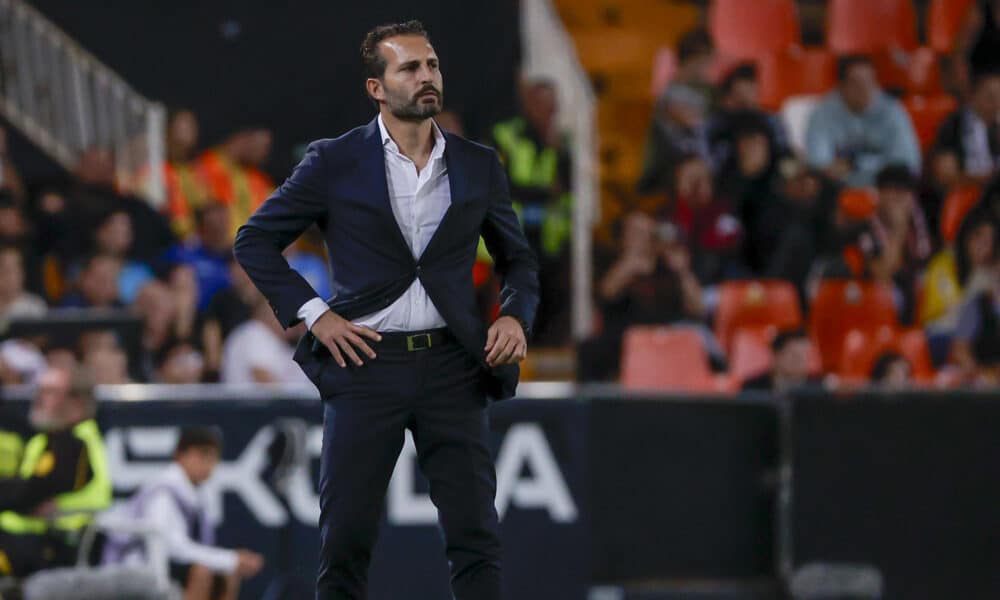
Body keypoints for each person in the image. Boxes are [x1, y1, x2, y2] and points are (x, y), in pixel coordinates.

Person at [233, 20, 538, 599]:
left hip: (454, 364)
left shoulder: (479, 164)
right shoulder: (334, 160)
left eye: (432, 65)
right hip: (365, 364)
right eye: (410, 68)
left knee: (477, 535)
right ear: (377, 88)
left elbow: (518, 261)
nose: (427, 77)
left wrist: (514, 315)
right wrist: (315, 313)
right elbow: (253, 239)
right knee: (346, 539)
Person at [102, 427, 263, 600]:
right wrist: (230, 560)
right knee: (202, 572)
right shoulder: (163, 492)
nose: (209, 464)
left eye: (214, 457)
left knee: (227, 575)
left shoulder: (196, 494)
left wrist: (229, 563)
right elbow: (172, 547)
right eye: (202, 455)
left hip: (166, 567)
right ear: (180, 455)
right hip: (137, 567)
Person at [0, 365, 111, 577]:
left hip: (57, 545)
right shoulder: (43, 440)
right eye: (39, 390)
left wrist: (17, 495)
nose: (39, 398)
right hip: (20, 539)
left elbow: (35, 490)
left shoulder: (78, 442)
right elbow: (24, 491)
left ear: (77, 403)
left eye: (50, 391)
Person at [491, 77, 572, 344]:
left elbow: (568, 193)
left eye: (552, 107)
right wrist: (545, 193)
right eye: (541, 105)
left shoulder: (561, 145)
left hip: (548, 243)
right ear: (527, 105)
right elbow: (499, 184)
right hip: (510, 240)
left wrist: (558, 155)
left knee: (549, 309)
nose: (546, 112)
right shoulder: (505, 136)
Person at [578, 213, 706, 381]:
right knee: (588, 349)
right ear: (624, 238)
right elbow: (606, 293)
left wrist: (683, 272)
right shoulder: (613, 262)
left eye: (648, 233)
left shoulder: (669, 266)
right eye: (637, 233)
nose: (644, 238)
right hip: (623, 337)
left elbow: (698, 308)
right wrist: (630, 263)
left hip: (666, 336)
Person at [805, 55, 921, 187]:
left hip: (886, 190)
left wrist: (855, 164)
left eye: (870, 81)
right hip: (839, 193)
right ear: (841, 87)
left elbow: (907, 164)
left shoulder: (892, 111)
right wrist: (881, 163)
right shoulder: (822, 113)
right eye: (856, 83)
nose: (865, 89)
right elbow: (819, 167)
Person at [194, 125, 275, 240]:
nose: (264, 154)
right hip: (217, 247)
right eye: (262, 146)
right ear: (242, 139)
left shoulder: (258, 178)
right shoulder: (207, 166)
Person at [931, 69, 1000, 184]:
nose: (996, 102)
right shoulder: (954, 124)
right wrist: (987, 178)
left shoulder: (996, 126)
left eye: (999, 97)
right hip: (966, 191)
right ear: (973, 95)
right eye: (990, 96)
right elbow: (944, 174)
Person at [742, 329, 820, 393]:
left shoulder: (818, 390)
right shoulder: (752, 389)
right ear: (776, 356)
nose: (801, 361)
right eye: (794, 356)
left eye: (806, 356)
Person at [0, 245, 46, 334]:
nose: (8, 276)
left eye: (13, 269)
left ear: (22, 273)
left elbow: (42, 337)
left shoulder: (35, 305)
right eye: (4, 269)